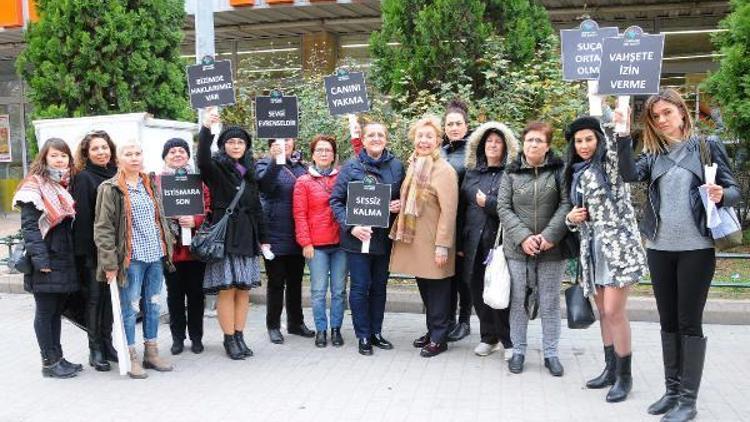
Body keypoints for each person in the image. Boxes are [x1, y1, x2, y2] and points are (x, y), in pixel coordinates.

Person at [615, 88, 740, 421]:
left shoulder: (706, 147)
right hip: (659, 248)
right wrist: (623, 136)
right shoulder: (654, 153)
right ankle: (671, 393)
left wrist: (721, 194)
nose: (661, 120)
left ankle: (689, 399)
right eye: (656, 117)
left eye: (667, 113)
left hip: (696, 249)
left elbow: (735, 190)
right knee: (668, 322)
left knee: (688, 323)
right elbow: (628, 174)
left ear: (683, 112)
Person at [563, 116, 646, 402]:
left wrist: (617, 128)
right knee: (602, 312)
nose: (584, 145)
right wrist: (571, 218)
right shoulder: (575, 172)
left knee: (614, 312)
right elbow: (576, 214)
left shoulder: (609, 166)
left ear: (598, 141)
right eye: (579, 141)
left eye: (589, 139)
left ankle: (625, 376)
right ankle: (610, 369)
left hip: (617, 249)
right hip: (592, 249)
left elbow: (619, 153)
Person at [94, 140, 175, 379]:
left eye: (138, 153)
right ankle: (131, 357)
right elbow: (103, 228)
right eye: (128, 154)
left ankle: (151, 352)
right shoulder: (110, 188)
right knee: (129, 309)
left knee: (153, 304)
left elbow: (160, 218)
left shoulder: (149, 183)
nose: (134, 158)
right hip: (131, 259)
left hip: (155, 256)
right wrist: (109, 263)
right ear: (118, 160)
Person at [497, 121, 571, 377]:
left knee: (549, 301)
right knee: (518, 301)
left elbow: (566, 204)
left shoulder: (559, 171)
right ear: (523, 143)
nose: (533, 144)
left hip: (552, 249)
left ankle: (551, 353)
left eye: (539, 140)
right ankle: (518, 350)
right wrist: (524, 237)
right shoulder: (512, 172)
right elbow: (503, 208)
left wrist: (549, 236)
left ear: (548, 145)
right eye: (529, 140)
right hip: (518, 249)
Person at [330, 120, 405, 356]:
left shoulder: (396, 166)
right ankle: (363, 334)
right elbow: (336, 201)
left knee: (380, 287)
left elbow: (405, 195)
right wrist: (351, 227)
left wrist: (399, 204)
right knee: (361, 287)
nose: (376, 138)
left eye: (380, 135)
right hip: (357, 239)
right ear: (363, 140)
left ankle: (376, 332)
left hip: (384, 239)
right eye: (371, 135)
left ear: (386, 139)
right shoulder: (351, 167)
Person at [198, 111, 267, 360]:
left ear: (246, 146)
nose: (236, 146)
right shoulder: (216, 168)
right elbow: (202, 161)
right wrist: (206, 129)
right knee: (227, 290)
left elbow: (257, 207)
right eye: (231, 142)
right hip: (226, 237)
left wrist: (264, 237)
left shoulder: (250, 171)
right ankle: (228, 339)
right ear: (223, 145)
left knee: (243, 290)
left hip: (247, 236)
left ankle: (239, 335)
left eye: (240, 142)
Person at [390, 116, 458, 358]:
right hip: (415, 241)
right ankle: (432, 331)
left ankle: (440, 338)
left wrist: (442, 245)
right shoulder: (414, 164)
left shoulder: (444, 170)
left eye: (429, 136)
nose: (424, 140)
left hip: (434, 242)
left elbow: (449, 212)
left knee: (438, 289)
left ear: (438, 140)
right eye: (420, 136)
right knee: (426, 289)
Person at [14, 138, 82, 378]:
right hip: (46, 259)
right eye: (54, 155)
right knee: (45, 312)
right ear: (44, 158)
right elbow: (30, 228)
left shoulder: (60, 186)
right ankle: (49, 363)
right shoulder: (33, 187)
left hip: (62, 257)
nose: (60, 160)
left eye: (64, 156)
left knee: (55, 311)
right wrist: (40, 261)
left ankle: (58, 357)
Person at [458, 121, 519, 358]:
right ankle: (488, 337)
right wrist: (460, 244)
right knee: (477, 290)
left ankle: (507, 340)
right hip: (473, 242)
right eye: (489, 142)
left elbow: (514, 207)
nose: (493, 145)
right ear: (481, 146)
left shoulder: (512, 173)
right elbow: (461, 210)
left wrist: (490, 204)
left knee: (500, 289)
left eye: (497, 142)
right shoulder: (471, 174)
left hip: (500, 243)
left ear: (505, 147)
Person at [256, 138, 313, 344]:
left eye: (289, 139)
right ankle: (273, 325)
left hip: (297, 233)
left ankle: (296, 323)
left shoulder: (302, 166)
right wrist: (275, 160)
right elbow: (265, 186)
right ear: (272, 143)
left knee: (296, 282)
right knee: (276, 282)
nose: (286, 143)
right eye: (281, 140)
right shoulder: (264, 163)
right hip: (274, 234)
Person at [293, 135, 346, 348]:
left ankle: (336, 329)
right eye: (320, 150)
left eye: (328, 150)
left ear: (334, 155)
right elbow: (300, 214)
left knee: (340, 291)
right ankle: (321, 330)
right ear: (313, 154)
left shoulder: (342, 177)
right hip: (316, 246)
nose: (324, 154)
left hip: (341, 244)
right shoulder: (303, 182)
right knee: (318, 291)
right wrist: (305, 242)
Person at [71, 130, 118, 372]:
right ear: (87, 154)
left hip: (115, 251)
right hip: (94, 253)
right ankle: (95, 349)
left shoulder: (117, 174)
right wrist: (89, 255)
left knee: (112, 301)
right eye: (95, 149)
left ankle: (108, 344)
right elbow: (83, 220)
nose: (101, 152)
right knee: (95, 300)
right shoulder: (84, 178)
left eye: (104, 147)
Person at [158, 138, 209, 355]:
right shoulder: (158, 182)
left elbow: (208, 208)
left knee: (196, 295)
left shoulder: (198, 181)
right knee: (175, 296)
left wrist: (195, 221)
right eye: (172, 151)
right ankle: (177, 338)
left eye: (181, 151)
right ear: (165, 157)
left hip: (195, 250)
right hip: (172, 251)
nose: (177, 154)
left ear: (188, 155)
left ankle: (196, 337)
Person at [441, 99, 473, 342]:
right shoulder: (439, 150)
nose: (453, 127)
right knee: (447, 275)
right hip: (442, 221)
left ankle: (464, 320)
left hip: (465, 221)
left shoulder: (473, 151)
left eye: (458, 123)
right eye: (449, 123)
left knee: (463, 275)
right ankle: (447, 319)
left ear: (466, 125)